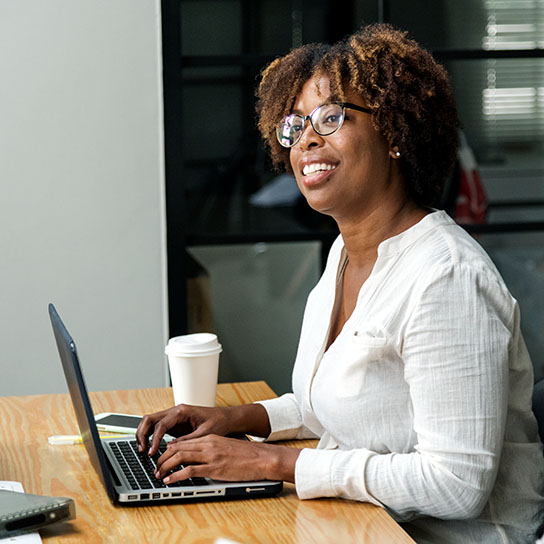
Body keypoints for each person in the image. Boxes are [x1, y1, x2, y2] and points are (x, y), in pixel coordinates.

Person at [136, 24, 544, 542]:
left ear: (395, 133)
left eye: (331, 118)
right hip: (366, 525)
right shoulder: (345, 255)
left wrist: (274, 463)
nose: (307, 139)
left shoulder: (447, 277)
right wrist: (235, 418)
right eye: (296, 124)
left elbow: (457, 484)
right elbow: (335, 407)